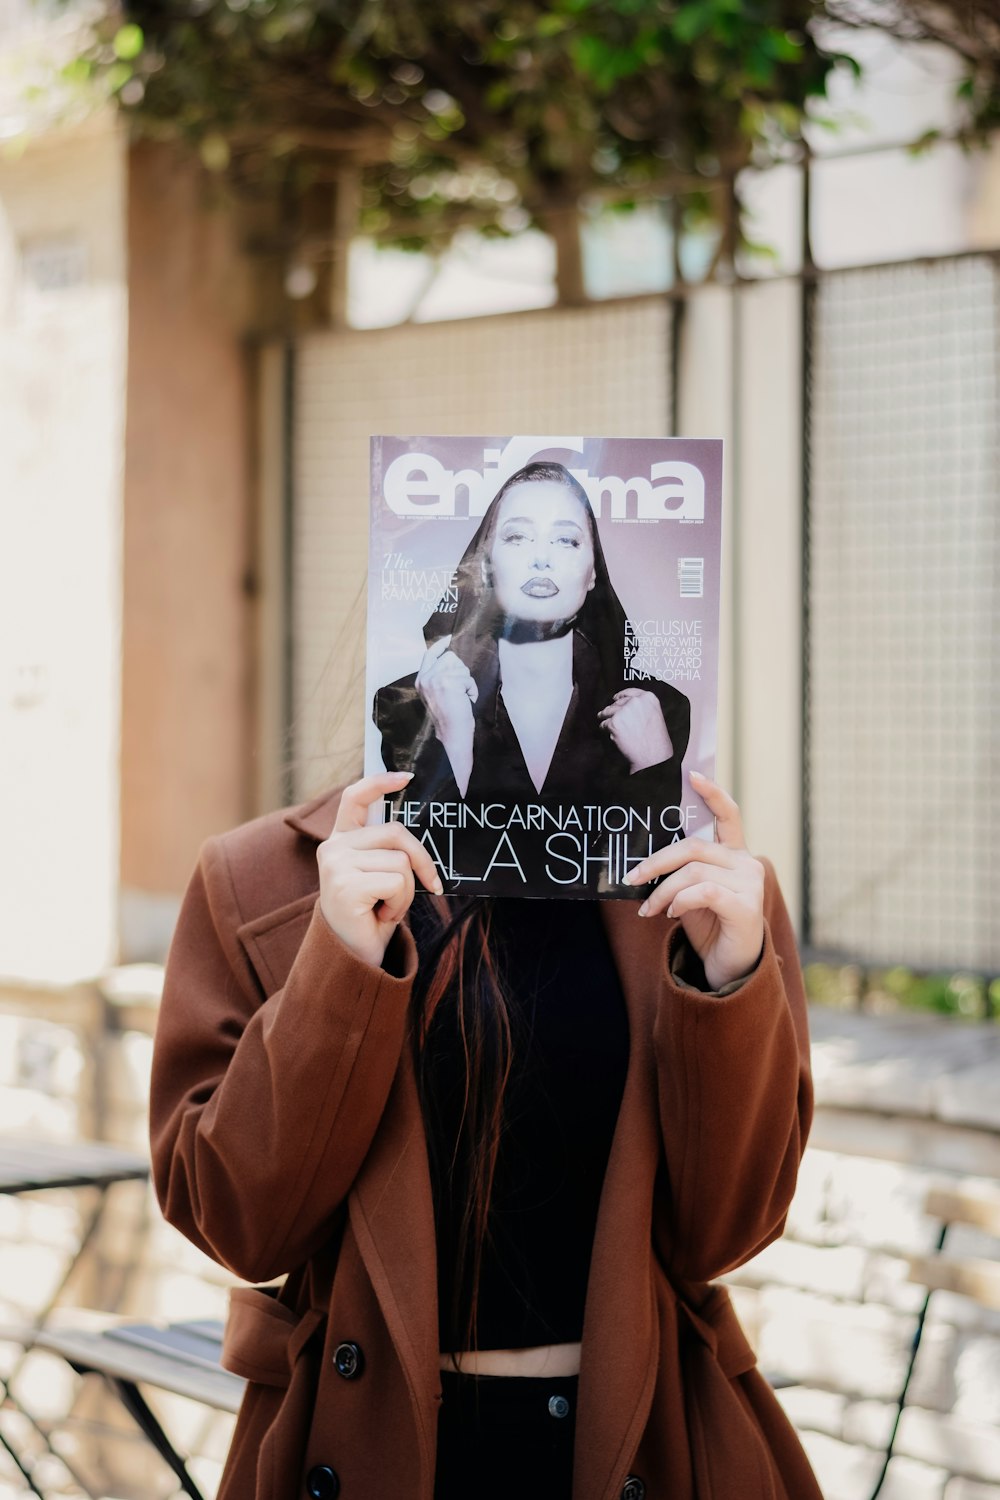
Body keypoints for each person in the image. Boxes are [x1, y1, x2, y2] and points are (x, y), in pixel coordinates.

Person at [150, 767, 824, 1500]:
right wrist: (337, 963)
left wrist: (728, 976)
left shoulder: (697, 879)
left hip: (636, 1448)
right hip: (367, 1443)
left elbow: (730, 1229)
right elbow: (237, 1221)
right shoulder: (259, 877)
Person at [373, 462, 691, 894]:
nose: (541, 557)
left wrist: (652, 767)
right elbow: (431, 892)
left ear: (593, 571)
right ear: (485, 566)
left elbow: (650, 895)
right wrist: (454, 739)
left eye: (566, 539)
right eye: (517, 536)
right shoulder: (409, 706)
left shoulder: (658, 713)